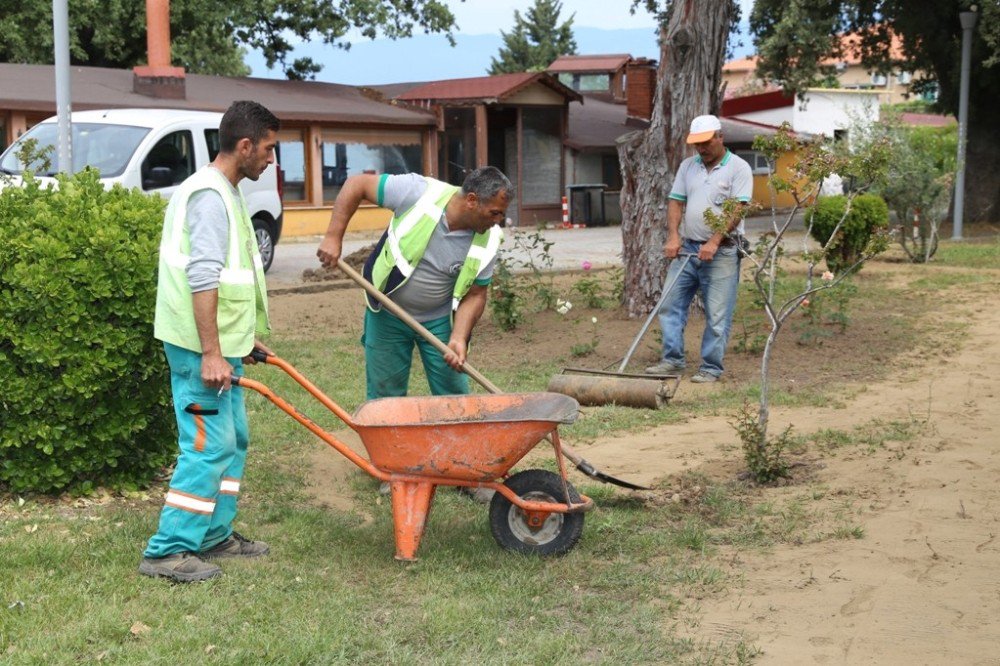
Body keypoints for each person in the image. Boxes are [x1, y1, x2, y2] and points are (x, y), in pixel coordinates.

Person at [139, 101, 279, 583]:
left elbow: (230, 281)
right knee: (206, 447)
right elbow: (203, 278)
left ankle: (214, 533)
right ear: (244, 146)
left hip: (221, 346)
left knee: (233, 440)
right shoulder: (209, 196)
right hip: (199, 351)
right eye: (268, 149)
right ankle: (167, 551)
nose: (270, 159)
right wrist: (214, 352)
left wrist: (242, 342)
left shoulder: (226, 190)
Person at [317, 167, 511, 401]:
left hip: (439, 321)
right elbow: (357, 184)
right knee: (385, 397)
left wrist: (459, 337)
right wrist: (333, 236)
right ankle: (388, 436)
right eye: (495, 213)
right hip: (387, 311)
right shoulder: (418, 191)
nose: (499, 221)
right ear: (471, 200)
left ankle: (459, 436)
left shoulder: (489, 240)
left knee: (456, 399)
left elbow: (476, 294)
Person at [645, 114, 752, 383]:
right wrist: (673, 236)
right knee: (669, 304)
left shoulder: (738, 168)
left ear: (720, 137)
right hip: (688, 250)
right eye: (697, 144)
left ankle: (711, 368)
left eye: (706, 143)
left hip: (723, 251)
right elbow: (675, 201)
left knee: (717, 313)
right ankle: (672, 361)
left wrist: (714, 241)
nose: (701, 149)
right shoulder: (688, 167)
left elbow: (738, 208)